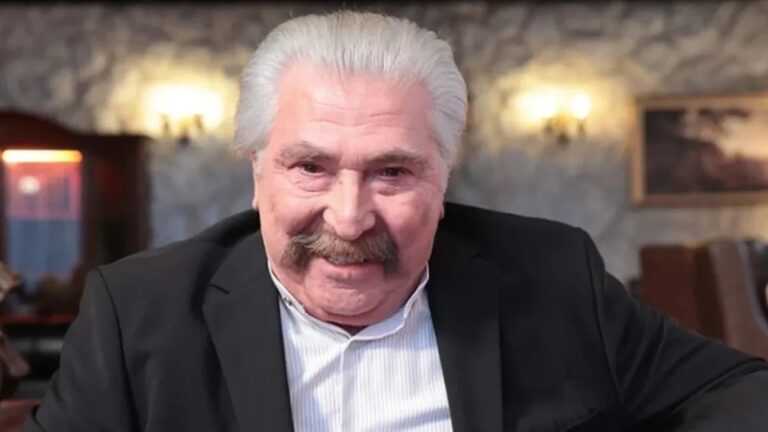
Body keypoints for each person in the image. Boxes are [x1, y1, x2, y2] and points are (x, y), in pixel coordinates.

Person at [24, 11, 768, 432]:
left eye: (393, 172)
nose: (349, 220)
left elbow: (740, 393)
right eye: (310, 167)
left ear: (443, 180)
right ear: (257, 171)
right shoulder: (138, 312)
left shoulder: (553, 275)